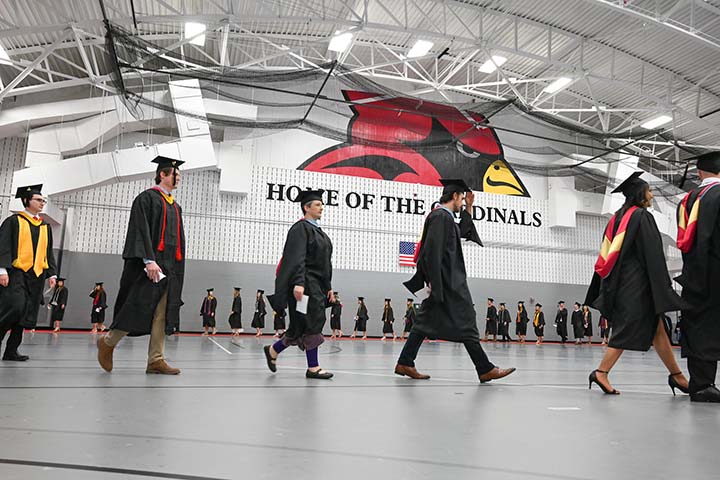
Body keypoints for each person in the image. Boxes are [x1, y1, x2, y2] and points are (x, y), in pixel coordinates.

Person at [395, 178, 515, 382]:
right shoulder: (441, 217)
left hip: (446, 281)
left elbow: (463, 231)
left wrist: (469, 207)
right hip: (448, 283)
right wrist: (434, 283)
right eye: (461, 198)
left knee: (423, 323)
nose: (461, 202)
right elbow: (431, 253)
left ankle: (405, 362)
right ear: (454, 196)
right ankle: (484, 368)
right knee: (467, 320)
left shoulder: (446, 218)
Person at [585, 171, 689, 395]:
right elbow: (653, 254)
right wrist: (663, 286)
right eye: (649, 191)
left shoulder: (617, 218)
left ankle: (677, 376)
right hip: (637, 285)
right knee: (627, 328)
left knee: (657, 329)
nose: (651, 196)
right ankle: (601, 372)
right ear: (639, 194)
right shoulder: (642, 217)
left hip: (619, 283)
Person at [96, 156, 186, 375]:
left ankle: (156, 359)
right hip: (149, 266)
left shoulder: (176, 207)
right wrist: (149, 260)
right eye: (176, 175)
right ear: (163, 174)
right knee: (136, 305)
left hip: (170, 268)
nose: (179, 179)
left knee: (162, 313)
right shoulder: (146, 199)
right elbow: (140, 231)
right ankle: (108, 342)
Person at [265, 189, 334, 379]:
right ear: (306, 207)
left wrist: (328, 288)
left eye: (322, 204)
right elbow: (297, 259)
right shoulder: (300, 229)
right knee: (311, 320)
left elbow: (325, 265)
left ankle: (273, 351)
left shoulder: (320, 233)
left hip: (317, 287)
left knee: (300, 324)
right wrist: (298, 283)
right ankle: (313, 367)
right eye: (318, 205)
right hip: (304, 286)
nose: (322, 207)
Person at [675, 152, 720, 402]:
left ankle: (701, 382)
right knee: (712, 325)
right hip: (716, 272)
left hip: (692, 273)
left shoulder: (687, 200)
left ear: (700, 172)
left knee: (699, 325)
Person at [0, 184, 57, 361]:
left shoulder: (44, 226)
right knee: (13, 308)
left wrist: (52, 274)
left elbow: (48, 252)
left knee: (25, 314)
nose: (42, 203)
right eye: (38, 200)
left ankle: (11, 351)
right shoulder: (14, 221)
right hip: (16, 273)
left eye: (43, 200)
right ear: (26, 200)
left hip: (37, 276)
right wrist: (2, 270)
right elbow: (3, 246)